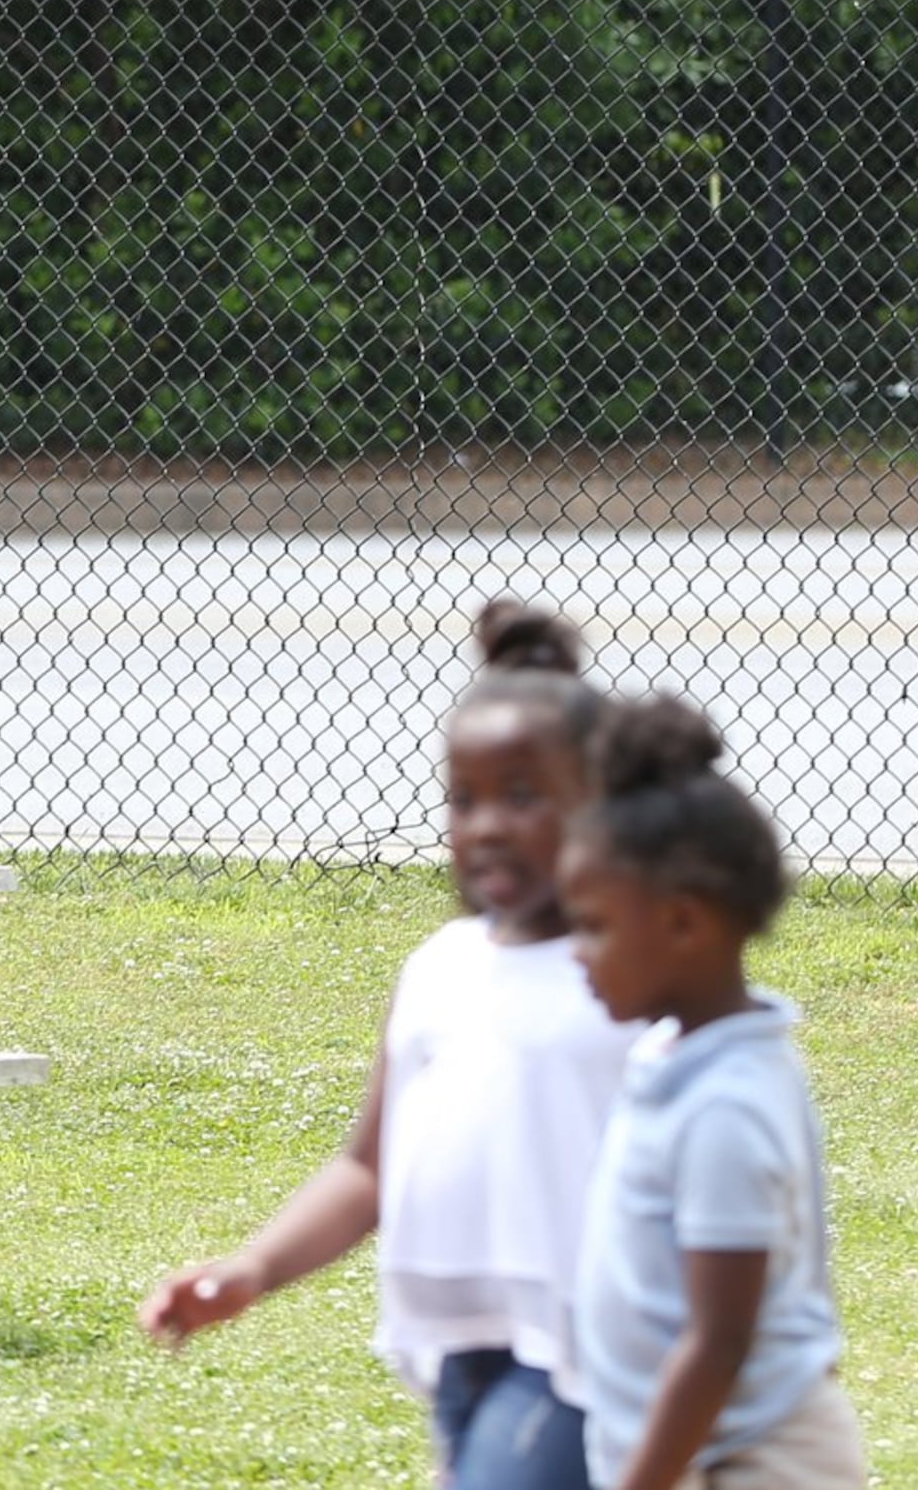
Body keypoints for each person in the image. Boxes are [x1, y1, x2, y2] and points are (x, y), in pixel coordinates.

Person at [142, 599, 635, 1490]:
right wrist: (254, 1267)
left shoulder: (631, 979)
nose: (485, 823)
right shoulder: (441, 967)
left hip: (587, 1355)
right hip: (460, 1347)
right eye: (465, 798)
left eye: (523, 796)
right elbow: (369, 1165)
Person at [559, 697, 861, 1490]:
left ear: (685, 925)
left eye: (592, 926)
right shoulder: (671, 1054)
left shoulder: (727, 1105)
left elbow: (719, 1340)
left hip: (754, 1461)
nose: (575, 955)